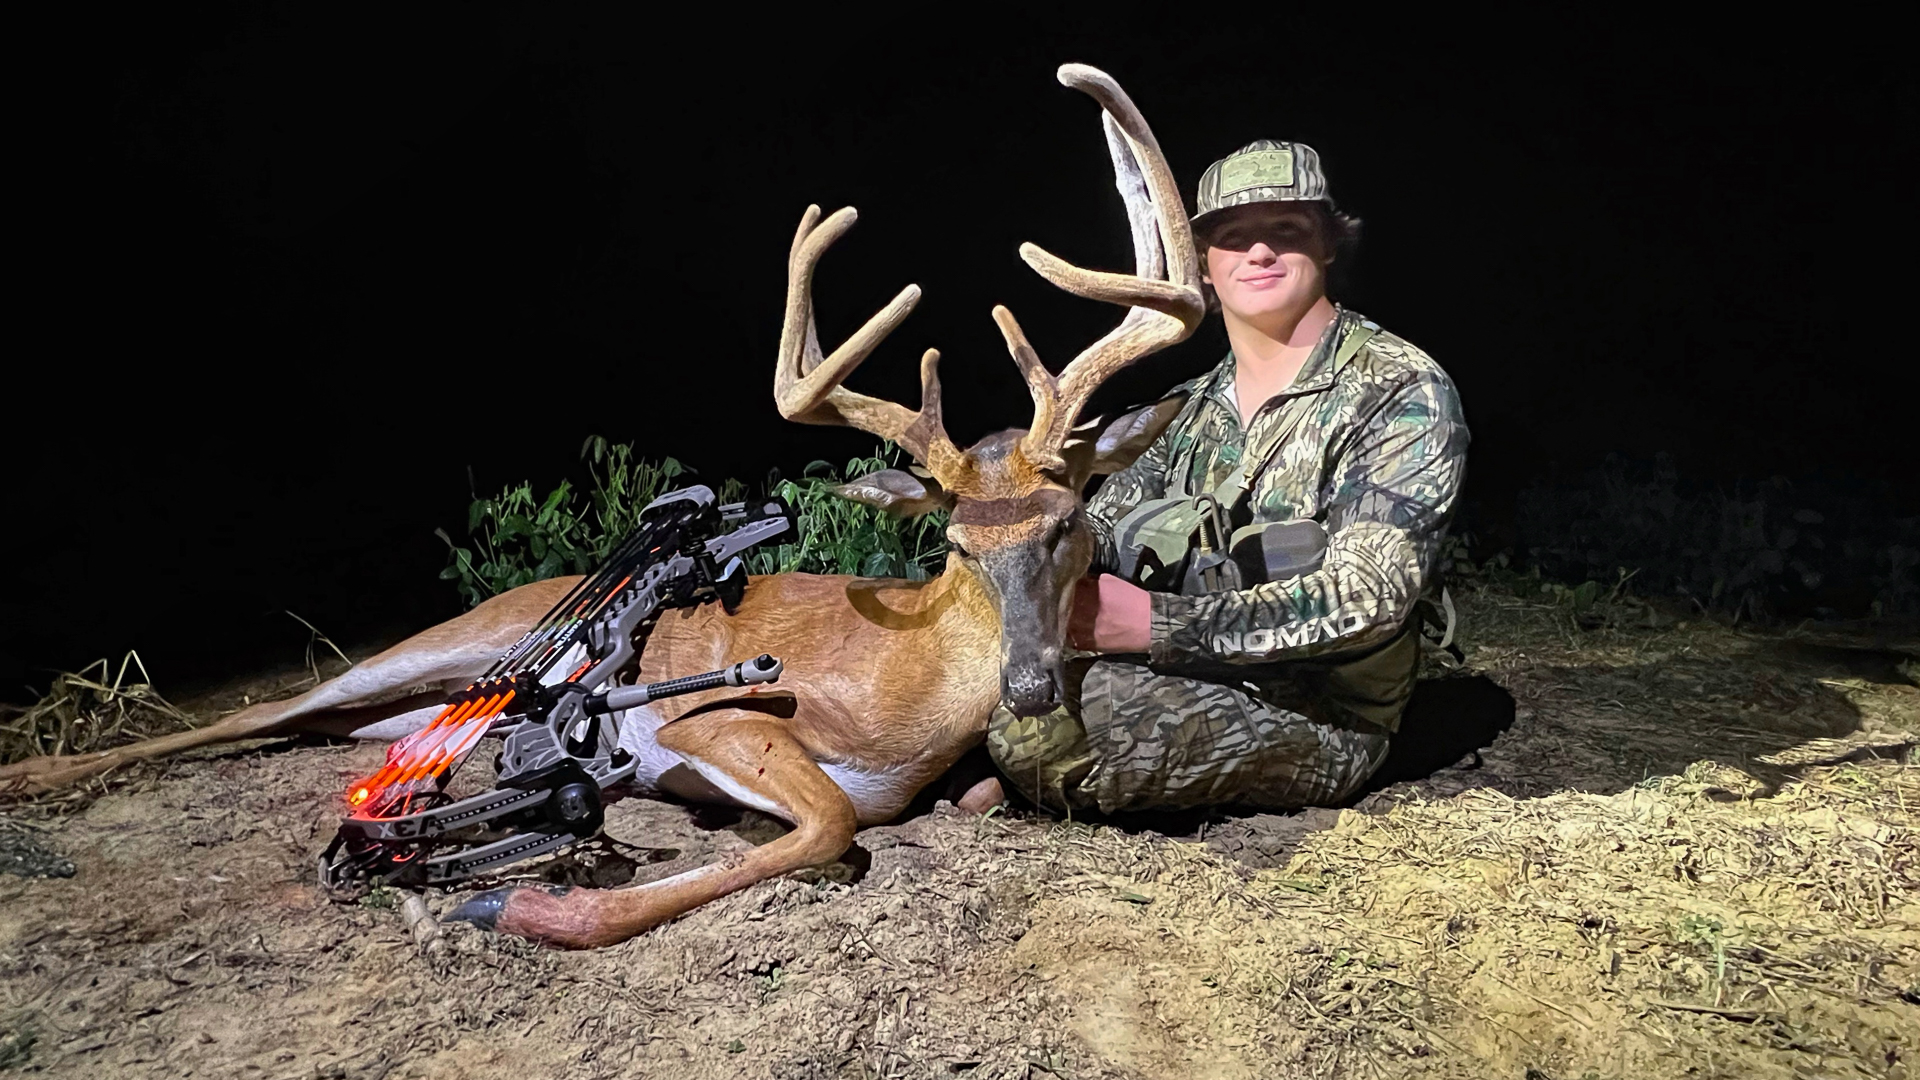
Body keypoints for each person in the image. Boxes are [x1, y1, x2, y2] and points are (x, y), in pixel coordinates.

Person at [986, 139, 1469, 814]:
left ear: (1328, 245)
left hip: (1324, 710)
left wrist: (1158, 624)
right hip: (1180, 670)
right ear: (1204, 266)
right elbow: (1094, 528)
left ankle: (997, 777)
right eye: (1233, 237)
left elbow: (1371, 597)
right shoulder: (1187, 410)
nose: (1260, 253)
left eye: (1286, 231)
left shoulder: (1399, 390)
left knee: (1037, 736)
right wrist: (1019, 530)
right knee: (986, 676)